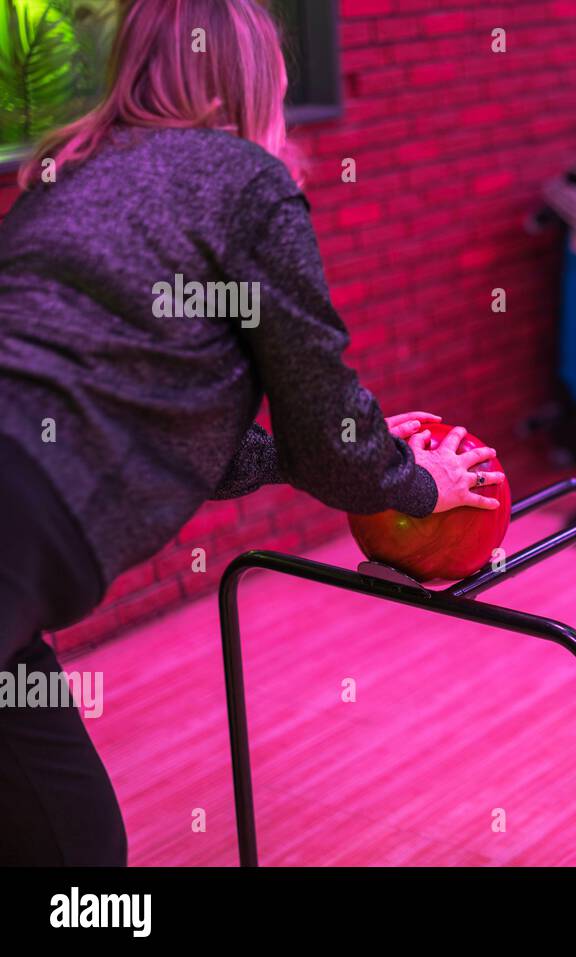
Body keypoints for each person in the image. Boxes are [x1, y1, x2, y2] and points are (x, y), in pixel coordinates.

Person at [0, 0, 502, 866]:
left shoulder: (69, 175)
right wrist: (416, 484)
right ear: (253, 79)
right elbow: (324, 412)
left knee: (72, 850)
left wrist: (321, 464)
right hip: (20, 510)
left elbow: (178, 426)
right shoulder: (241, 180)